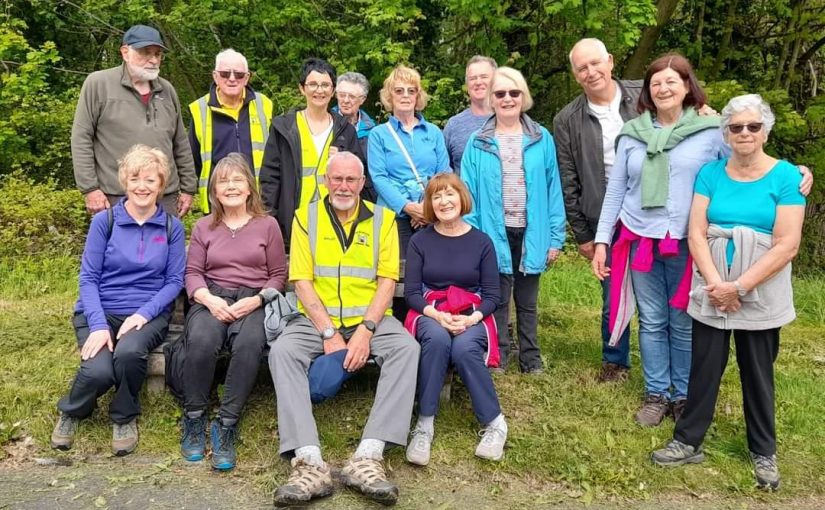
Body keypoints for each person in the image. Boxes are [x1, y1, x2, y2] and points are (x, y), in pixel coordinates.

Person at [591, 54, 812, 427]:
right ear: (647, 90)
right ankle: (656, 393)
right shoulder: (630, 135)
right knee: (651, 319)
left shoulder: (711, 132)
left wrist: (795, 172)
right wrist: (601, 241)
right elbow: (615, 192)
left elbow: (749, 159)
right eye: (656, 82)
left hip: (687, 242)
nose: (663, 88)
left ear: (686, 87)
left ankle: (683, 395)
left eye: (671, 81)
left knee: (682, 320)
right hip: (640, 237)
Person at [652, 95, 805, 491]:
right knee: (704, 367)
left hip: (761, 285)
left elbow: (787, 244)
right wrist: (716, 283)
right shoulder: (711, 173)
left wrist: (740, 286)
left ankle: (763, 451)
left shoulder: (787, 176)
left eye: (753, 126)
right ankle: (688, 440)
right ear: (726, 133)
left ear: (765, 131)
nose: (744, 134)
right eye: (736, 127)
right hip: (712, 281)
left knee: (757, 371)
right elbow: (696, 231)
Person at [270, 152, 419, 506]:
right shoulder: (306, 218)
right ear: (325, 181)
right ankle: (309, 462)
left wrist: (367, 330)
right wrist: (328, 334)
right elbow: (301, 281)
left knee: (406, 348)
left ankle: (368, 456)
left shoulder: (382, 219)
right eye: (336, 178)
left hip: (368, 318)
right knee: (282, 351)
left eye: (351, 180)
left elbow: (387, 281)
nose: (343, 186)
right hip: (315, 321)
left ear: (362, 182)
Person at [51, 145, 185, 456]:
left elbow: (174, 281)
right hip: (99, 310)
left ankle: (124, 416)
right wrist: (98, 325)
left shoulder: (171, 227)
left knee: (128, 353)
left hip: (146, 314)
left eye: (150, 180)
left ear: (160, 185)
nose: (142, 186)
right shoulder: (105, 222)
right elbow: (88, 279)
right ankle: (72, 412)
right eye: (135, 178)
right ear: (125, 182)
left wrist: (144, 314)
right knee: (99, 371)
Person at [179, 153, 287, 471]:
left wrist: (257, 301)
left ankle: (226, 423)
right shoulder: (204, 227)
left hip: (252, 301)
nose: (230, 186)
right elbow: (193, 272)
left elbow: (278, 275)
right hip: (212, 298)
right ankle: (195, 417)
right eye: (223, 181)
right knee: (200, 340)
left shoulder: (267, 226)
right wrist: (208, 300)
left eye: (237, 179)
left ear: (250, 188)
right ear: (214, 191)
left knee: (250, 344)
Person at [461, 67, 566, 374]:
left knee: (528, 300)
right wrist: (474, 238)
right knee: (497, 298)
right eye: (500, 94)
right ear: (491, 100)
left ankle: (531, 358)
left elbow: (553, 188)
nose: (507, 99)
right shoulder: (477, 141)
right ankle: (498, 356)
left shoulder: (541, 137)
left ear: (524, 97)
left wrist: (555, 238)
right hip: (492, 232)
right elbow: (468, 194)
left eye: (514, 93)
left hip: (532, 231)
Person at [403, 173, 505, 466]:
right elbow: (411, 292)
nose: (444, 201)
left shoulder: (481, 242)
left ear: (462, 198)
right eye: (436, 196)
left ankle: (495, 423)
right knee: (435, 340)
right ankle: (424, 424)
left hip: (471, 313)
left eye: (450, 194)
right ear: (430, 205)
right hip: (431, 309)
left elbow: (492, 295)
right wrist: (436, 314)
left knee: (463, 349)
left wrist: (471, 320)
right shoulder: (420, 241)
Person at [553, 38, 639, 382]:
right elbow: (568, 182)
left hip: (654, 212)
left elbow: (697, 120)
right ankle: (615, 360)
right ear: (576, 76)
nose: (591, 72)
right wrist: (584, 236)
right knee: (614, 293)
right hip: (606, 218)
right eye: (582, 68)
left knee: (661, 293)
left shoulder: (647, 94)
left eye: (595, 63)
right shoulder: (567, 119)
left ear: (611, 61)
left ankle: (667, 362)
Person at [71, 24, 196, 217]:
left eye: (157, 54)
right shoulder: (98, 84)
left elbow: (180, 142)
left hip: (164, 198)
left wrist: (188, 189)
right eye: (145, 52)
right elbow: (81, 138)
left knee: (163, 247)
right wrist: (89, 188)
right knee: (117, 248)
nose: (153, 60)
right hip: (115, 197)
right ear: (125, 52)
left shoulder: (167, 89)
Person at [259, 58, 363, 249]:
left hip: (335, 223)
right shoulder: (283, 128)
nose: (319, 90)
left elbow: (359, 178)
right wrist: (268, 219)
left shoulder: (346, 131)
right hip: (293, 222)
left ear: (332, 91)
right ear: (302, 88)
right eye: (313, 84)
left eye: (325, 85)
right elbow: (270, 178)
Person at [367, 64, 451, 257]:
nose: (405, 95)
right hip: (395, 215)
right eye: (399, 91)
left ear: (417, 96)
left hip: (432, 213)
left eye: (411, 91)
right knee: (399, 273)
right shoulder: (378, 135)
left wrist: (427, 208)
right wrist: (408, 207)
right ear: (390, 96)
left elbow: (444, 173)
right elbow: (379, 178)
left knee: (434, 270)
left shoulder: (434, 132)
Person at [188, 49, 273, 213]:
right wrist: (187, 192)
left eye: (239, 74)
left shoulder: (264, 105)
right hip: (218, 203)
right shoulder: (199, 109)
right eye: (225, 73)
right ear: (215, 76)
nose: (232, 79)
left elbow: (275, 158)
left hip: (258, 201)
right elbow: (192, 162)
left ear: (247, 78)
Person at [443, 56, 497, 174]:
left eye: (484, 77)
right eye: (473, 78)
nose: (478, 82)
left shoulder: (509, 121)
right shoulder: (453, 125)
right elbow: (444, 172)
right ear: (467, 86)